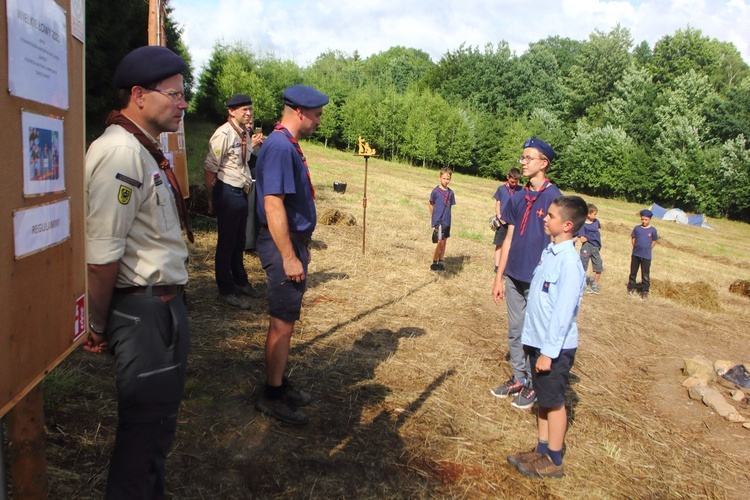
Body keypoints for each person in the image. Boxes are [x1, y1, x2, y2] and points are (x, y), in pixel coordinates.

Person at [84, 45, 193, 498]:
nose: (183, 104)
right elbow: (101, 254)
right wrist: (96, 323)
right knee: (143, 435)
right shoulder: (121, 155)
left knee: (156, 432)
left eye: (184, 94)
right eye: (174, 94)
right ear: (139, 95)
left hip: (160, 310)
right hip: (142, 313)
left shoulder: (143, 152)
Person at [253, 84, 329, 425]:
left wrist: (299, 248)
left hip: (291, 242)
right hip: (281, 244)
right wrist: (288, 255)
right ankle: (271, 396)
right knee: (282, 323)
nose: (319, 121)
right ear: (299, 111)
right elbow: (273, 204)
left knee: (285, 321)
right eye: (316, 115)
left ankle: (278, 383)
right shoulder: (281, 147)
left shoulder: (286, 144)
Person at [506, 195, 588, 479]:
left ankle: (554, 460)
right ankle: (541, 450)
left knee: (553, 401)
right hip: (537, 341)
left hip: (553, 348)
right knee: (543, 397)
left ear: (567, 225)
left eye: (550, 216)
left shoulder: (570, 264)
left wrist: (548, 352)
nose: (545, 218)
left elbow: (563, 313)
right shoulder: (550, 252)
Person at [491, 138, 562, 410]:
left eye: (528, 158)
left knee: (534, 333)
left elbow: (560, 242)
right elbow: (508, 237)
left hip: (538, 280)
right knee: (515, 330)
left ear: (543, 163)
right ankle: (519, 377)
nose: (523, 162)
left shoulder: (555, 198)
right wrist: (499, 276)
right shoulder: (518, 196)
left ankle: (534, 383)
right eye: (522, 157)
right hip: (513, 275)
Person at [204, 94, 264, 309]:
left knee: (240, 240)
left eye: (250, 109)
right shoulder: (223, 134)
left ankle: (240, 282)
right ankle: (225, 289)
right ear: (231, 111)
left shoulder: (244, 132)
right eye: (243, 110)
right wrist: (212, 200)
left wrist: (254, 145)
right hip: (227, 191)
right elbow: (210, 169)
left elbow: (244, 161)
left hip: (242, 190)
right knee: (227, 243)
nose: (248, 113)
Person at [492, 167, 522, 273]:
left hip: (514, 222)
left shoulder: (521, 190)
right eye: (512, 181)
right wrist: (499, 216)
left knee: (510, 244)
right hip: (502, 221)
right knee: (499, 243)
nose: (514, 184)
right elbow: (498, 204)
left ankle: (505, 266)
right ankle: (497, 266)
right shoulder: (501, 189)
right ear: (507, 177)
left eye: (516, 182)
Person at [627, 209, 659, 299]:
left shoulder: (653, 230)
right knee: (633, 272)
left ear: (650, 219)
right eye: (642, 219)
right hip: (636, 254)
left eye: (646, 220)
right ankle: (631, 287)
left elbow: (654, 240)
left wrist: (649, 248)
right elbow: (633, 238)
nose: (644, 221)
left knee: (645, 274)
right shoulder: (637, 228)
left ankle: (645, 290)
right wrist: (635, 246)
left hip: (646, 255)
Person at [429, 168, 456, 271]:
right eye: (444, 178)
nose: (446, 181)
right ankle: (434, 262)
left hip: (447, 221)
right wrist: (434, 216)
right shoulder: (435, 192)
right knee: (439, 242)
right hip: (439, 221)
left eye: (448, 179)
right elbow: (431, 204)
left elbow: (450, 207)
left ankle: (441, 261)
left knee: (444, 242)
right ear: (440, 178)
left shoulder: (451, 193)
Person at [575, 203, 604, 294]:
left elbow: (597, 232)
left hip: (595, 247)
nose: (595, 216)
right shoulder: (583, 225)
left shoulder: (596, 222)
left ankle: (595, 285)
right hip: (587, 247)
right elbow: (582, 239)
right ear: (588, 214)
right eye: (594, 214)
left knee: (598, 266)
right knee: (583, 266)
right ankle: (583, 284)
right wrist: (591, 237)